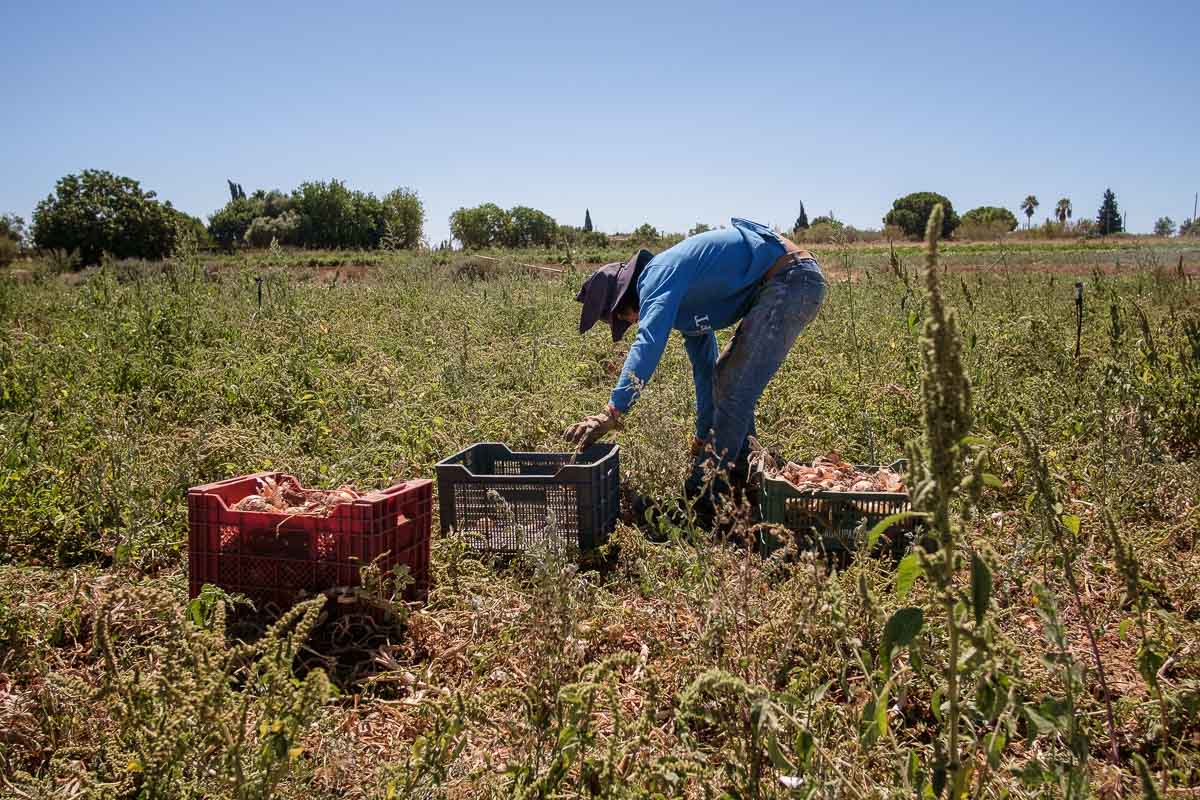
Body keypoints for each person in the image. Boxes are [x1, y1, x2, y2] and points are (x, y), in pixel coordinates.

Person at [564, 217, 827, 521]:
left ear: (625, 301)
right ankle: (742, 479)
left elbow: (648, 343)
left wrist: (612, 412)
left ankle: (707, 499)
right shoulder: (683, 302)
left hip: (791, 280)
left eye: (625, 317)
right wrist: (703, 436)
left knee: (734, 389)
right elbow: (705, 370)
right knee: (726, 379)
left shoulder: (657, 276)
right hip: (788, 281)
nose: (631, 322)